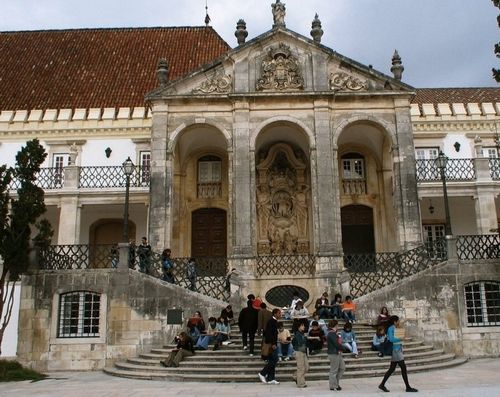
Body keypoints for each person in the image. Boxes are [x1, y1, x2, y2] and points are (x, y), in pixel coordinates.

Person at [378, 315, 418, 393]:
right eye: (398, 321)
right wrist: (400, 338)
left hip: (397, 350)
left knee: (392, 369)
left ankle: (382, 384)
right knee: (403, 368)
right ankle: (408, 387)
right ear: (394, 321)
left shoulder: (394, 328)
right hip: (395, 350)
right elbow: (391, 339)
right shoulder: (391, 328)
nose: (399, 322)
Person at [258, 308, 282, 385]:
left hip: (273, 344)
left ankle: (271, 379)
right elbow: (269, 334)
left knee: (273, 360)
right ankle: (262, 373)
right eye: (279, 313)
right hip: (271, 345)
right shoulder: (271, 321)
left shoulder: (274, 321)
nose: (280, 315)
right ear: (275, 314)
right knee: (274, 360)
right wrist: (273, 344)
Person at [327, 319, 345, 392]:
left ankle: (336, 383)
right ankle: (333, 385)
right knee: (334, 370)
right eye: (337, 325)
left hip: (337, 353)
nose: (338, 326)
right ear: (335, 325)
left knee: (342, 367)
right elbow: (336, 344)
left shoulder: (334, 333)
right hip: (333, 353)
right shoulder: (331, 333)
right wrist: (344, 348)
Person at [291, 321, 308, 388]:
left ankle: (295, 376)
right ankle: (300, 383)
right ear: (299, 327)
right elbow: (300, 343)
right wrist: (305, 338)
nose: (303, 327)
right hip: (299, 352)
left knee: (306, 367)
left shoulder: (301, 334)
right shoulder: (297, 334)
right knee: (301, 368)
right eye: (302, 325)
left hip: (303, 352)